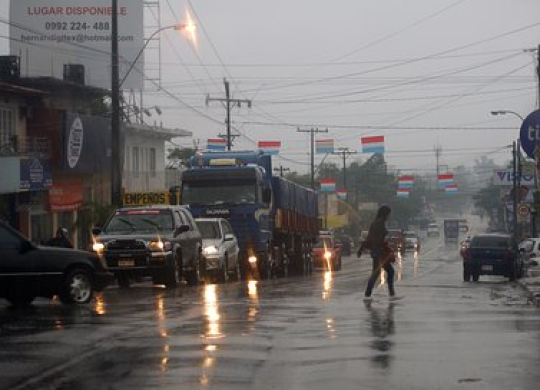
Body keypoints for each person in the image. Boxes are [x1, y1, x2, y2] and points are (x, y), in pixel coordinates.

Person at [362, 205, 402, 302]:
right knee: (377, 272)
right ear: (385, 214)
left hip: (378, 250)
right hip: (379, 251)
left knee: (383, 271)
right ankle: (368, 294)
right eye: (389, 214)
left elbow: (371, 237)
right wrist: (385, 247)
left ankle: (388, 294)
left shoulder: (377, 222)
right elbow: (377, 239)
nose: (389, 216)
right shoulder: (379, 223)